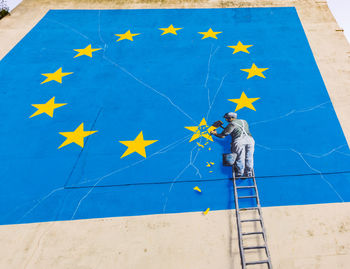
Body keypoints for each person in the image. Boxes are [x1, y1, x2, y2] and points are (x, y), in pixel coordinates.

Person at [210, 112, 255, 177]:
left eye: (227, 118)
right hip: (250, 140)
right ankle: (248, 172)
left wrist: (214, 133)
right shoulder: (244, 121)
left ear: (231, 118)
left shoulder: (231, 124)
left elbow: (223, 135)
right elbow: (237, 129)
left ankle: (240, 172)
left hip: (240, 140)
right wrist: (224, 128)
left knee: (239, 157)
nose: (226, 120)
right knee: (249, 157)